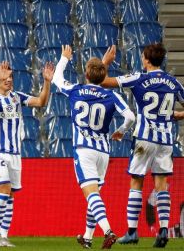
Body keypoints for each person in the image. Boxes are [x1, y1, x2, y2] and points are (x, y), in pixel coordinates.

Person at [101, 43, 184, 248]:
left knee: (136, 181)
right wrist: (176, 115)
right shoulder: (173, 82)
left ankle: (131, 232)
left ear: (147, 59)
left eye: (142, 57)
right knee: (161, 185)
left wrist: (105, 63)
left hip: (144, 140)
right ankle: (164, 229)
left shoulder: (139, 78)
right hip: (165, 141)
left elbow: (103, 82)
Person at [53, 45, 136, 249]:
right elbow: (131, 116)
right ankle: (88, 237)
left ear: (86, 74)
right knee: (95, 194)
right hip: (103, 152)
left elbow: (56, 78)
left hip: (84, 150)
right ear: (103, 75)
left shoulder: (76, 90)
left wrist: (64, 58)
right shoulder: (111, 95)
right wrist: (121, 131)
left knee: (91, 194)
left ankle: (108, 231)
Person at [0, 61, 54, 247]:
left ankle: (3, 235)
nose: (9, 79)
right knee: (3, 189)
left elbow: (41, 102)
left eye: (11, 76)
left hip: (14, 153)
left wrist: (47, 82)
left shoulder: (16, 97)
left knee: (10, 195)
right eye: (5, 76)